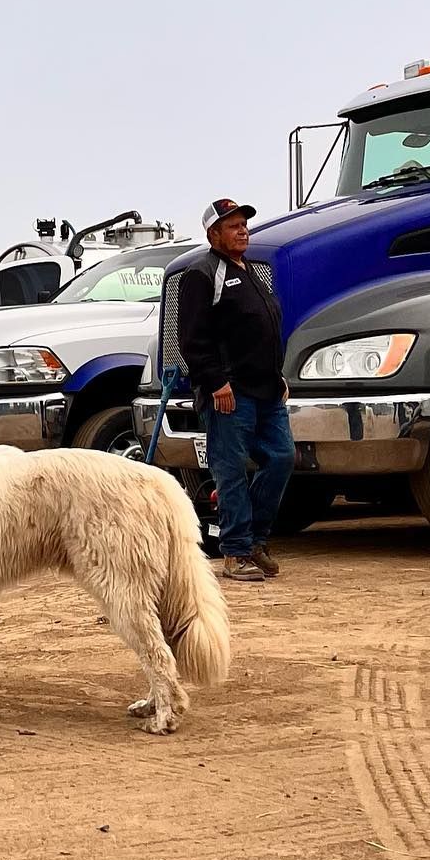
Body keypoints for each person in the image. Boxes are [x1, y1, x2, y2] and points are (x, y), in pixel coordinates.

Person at [176, 198, 295, 582]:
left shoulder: (250, 272)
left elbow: (263, 330)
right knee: (231, 471)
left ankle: (255, 540)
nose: (242, 230)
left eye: (244, 224)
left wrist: (278, 376)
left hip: (267, 390)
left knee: (281, 458)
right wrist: (215, 382)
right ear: (213, 234)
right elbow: (192, 339)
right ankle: (235, 551)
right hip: (229, 392)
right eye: (232, 226)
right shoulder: (201, 273)